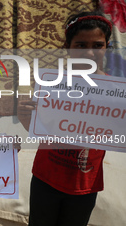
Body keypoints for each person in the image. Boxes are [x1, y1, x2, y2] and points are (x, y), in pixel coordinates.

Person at [17, 11, 112, 226]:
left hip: (84, 183)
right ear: (67, 47)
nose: (89, 52)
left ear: (107, 46)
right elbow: (38, 128)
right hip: (46, 178)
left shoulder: (114, 91)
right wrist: (25, 117)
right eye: (80, 45)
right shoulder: (50, 83)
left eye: (98, 45)